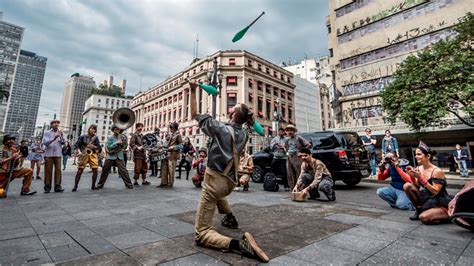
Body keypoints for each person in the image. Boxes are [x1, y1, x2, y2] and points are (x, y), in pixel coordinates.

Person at [189, 79, 269, 262]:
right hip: (229, 182)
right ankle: (230, 218)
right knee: (218, 194)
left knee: (201, 233)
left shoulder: (220, 129)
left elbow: (194, 114)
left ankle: (239, 245)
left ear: (232, 114)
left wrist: (193, 90)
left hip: (215, 180)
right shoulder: (244, 134)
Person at [401, 141, 452, 224]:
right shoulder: (419, 168)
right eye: (416, 154)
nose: (416, 156)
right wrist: (412, 176)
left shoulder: (437, 171)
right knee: (407, 186)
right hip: (427, 198)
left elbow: (435, 191)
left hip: (439, 200)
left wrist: (420, 177)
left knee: (424, 218)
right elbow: (416, 186)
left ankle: (449, 214)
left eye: (419, 154)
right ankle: (418, 211)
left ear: (428, 156)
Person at [96, 125, 134, 189]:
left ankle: (129, 184)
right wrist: (116, 143)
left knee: (124, 171)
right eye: (115, 129)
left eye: (118, 129)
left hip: (119, 156)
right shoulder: (110, 138)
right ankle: (100, 184)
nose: (117, 130)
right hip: (110, 156)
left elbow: (124, 147)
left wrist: (124, 143)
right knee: (105, 171)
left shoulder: (122, 137)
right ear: (113, 130)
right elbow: (108, 147)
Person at [72, 125, 101, 192]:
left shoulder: (96, 138)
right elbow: (76, 145)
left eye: (94, 129)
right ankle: (75, 186)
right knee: (80, 171)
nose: (93, 130)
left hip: (92, 154)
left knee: (95, 170)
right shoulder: (83, 137)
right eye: (92, 128)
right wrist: (79, 151)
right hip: (84, 153)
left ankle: (93, 186)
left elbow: (99, 148)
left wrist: (94, 147)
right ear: (89, 129)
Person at [284, 124, 311, 191]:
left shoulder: (298, 138)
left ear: (294, 131)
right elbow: (286, 147)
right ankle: (292, 187)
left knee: (299, 172)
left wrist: (301, 153)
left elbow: (308, 145)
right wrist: (286, 152)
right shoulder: (287, 140)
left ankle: (300, 187)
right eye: (288, 130)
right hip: (289, 157)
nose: (290, 132)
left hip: (297, 157)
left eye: (291, 130)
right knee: (290, 172)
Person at [42, 119, 65, 193]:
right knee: (48, 171)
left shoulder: (60, 132)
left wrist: (61, 137)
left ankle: (57, 186)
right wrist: (54, 138)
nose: (56, 124)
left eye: (57, 123)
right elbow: (45, 143)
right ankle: (47, 187)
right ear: (51, 125)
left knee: (58, 170)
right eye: (54, 123)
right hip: (48, 154)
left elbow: (63, 142)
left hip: (58, 154)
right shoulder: (47, 132)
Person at [158, 122, 183, 188]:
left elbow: (181, 146)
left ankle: (170, 183)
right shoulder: (171, 135)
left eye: (171, 128)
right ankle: (163, 182)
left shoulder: (178, 135)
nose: (170, 129)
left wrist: (174, 147)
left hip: (173, 155)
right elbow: (168, 145)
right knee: (164, 167)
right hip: (167, 154)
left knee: (171, 169)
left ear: (174, 128)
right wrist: (162, 146)